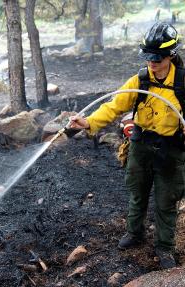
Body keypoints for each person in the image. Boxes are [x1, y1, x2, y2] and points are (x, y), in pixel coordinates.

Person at [69, 22, 185, 269]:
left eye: (158, 57)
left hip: (171, 150)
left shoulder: (182, 84)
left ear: (171, 54)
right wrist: (88, 122)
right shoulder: (140, 80)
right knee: (136, 191)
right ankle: (135, 233)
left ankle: (165, 247)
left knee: (166, 199)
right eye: (148, 57)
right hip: (141, 145)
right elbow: (114, 106)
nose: (152, 62)